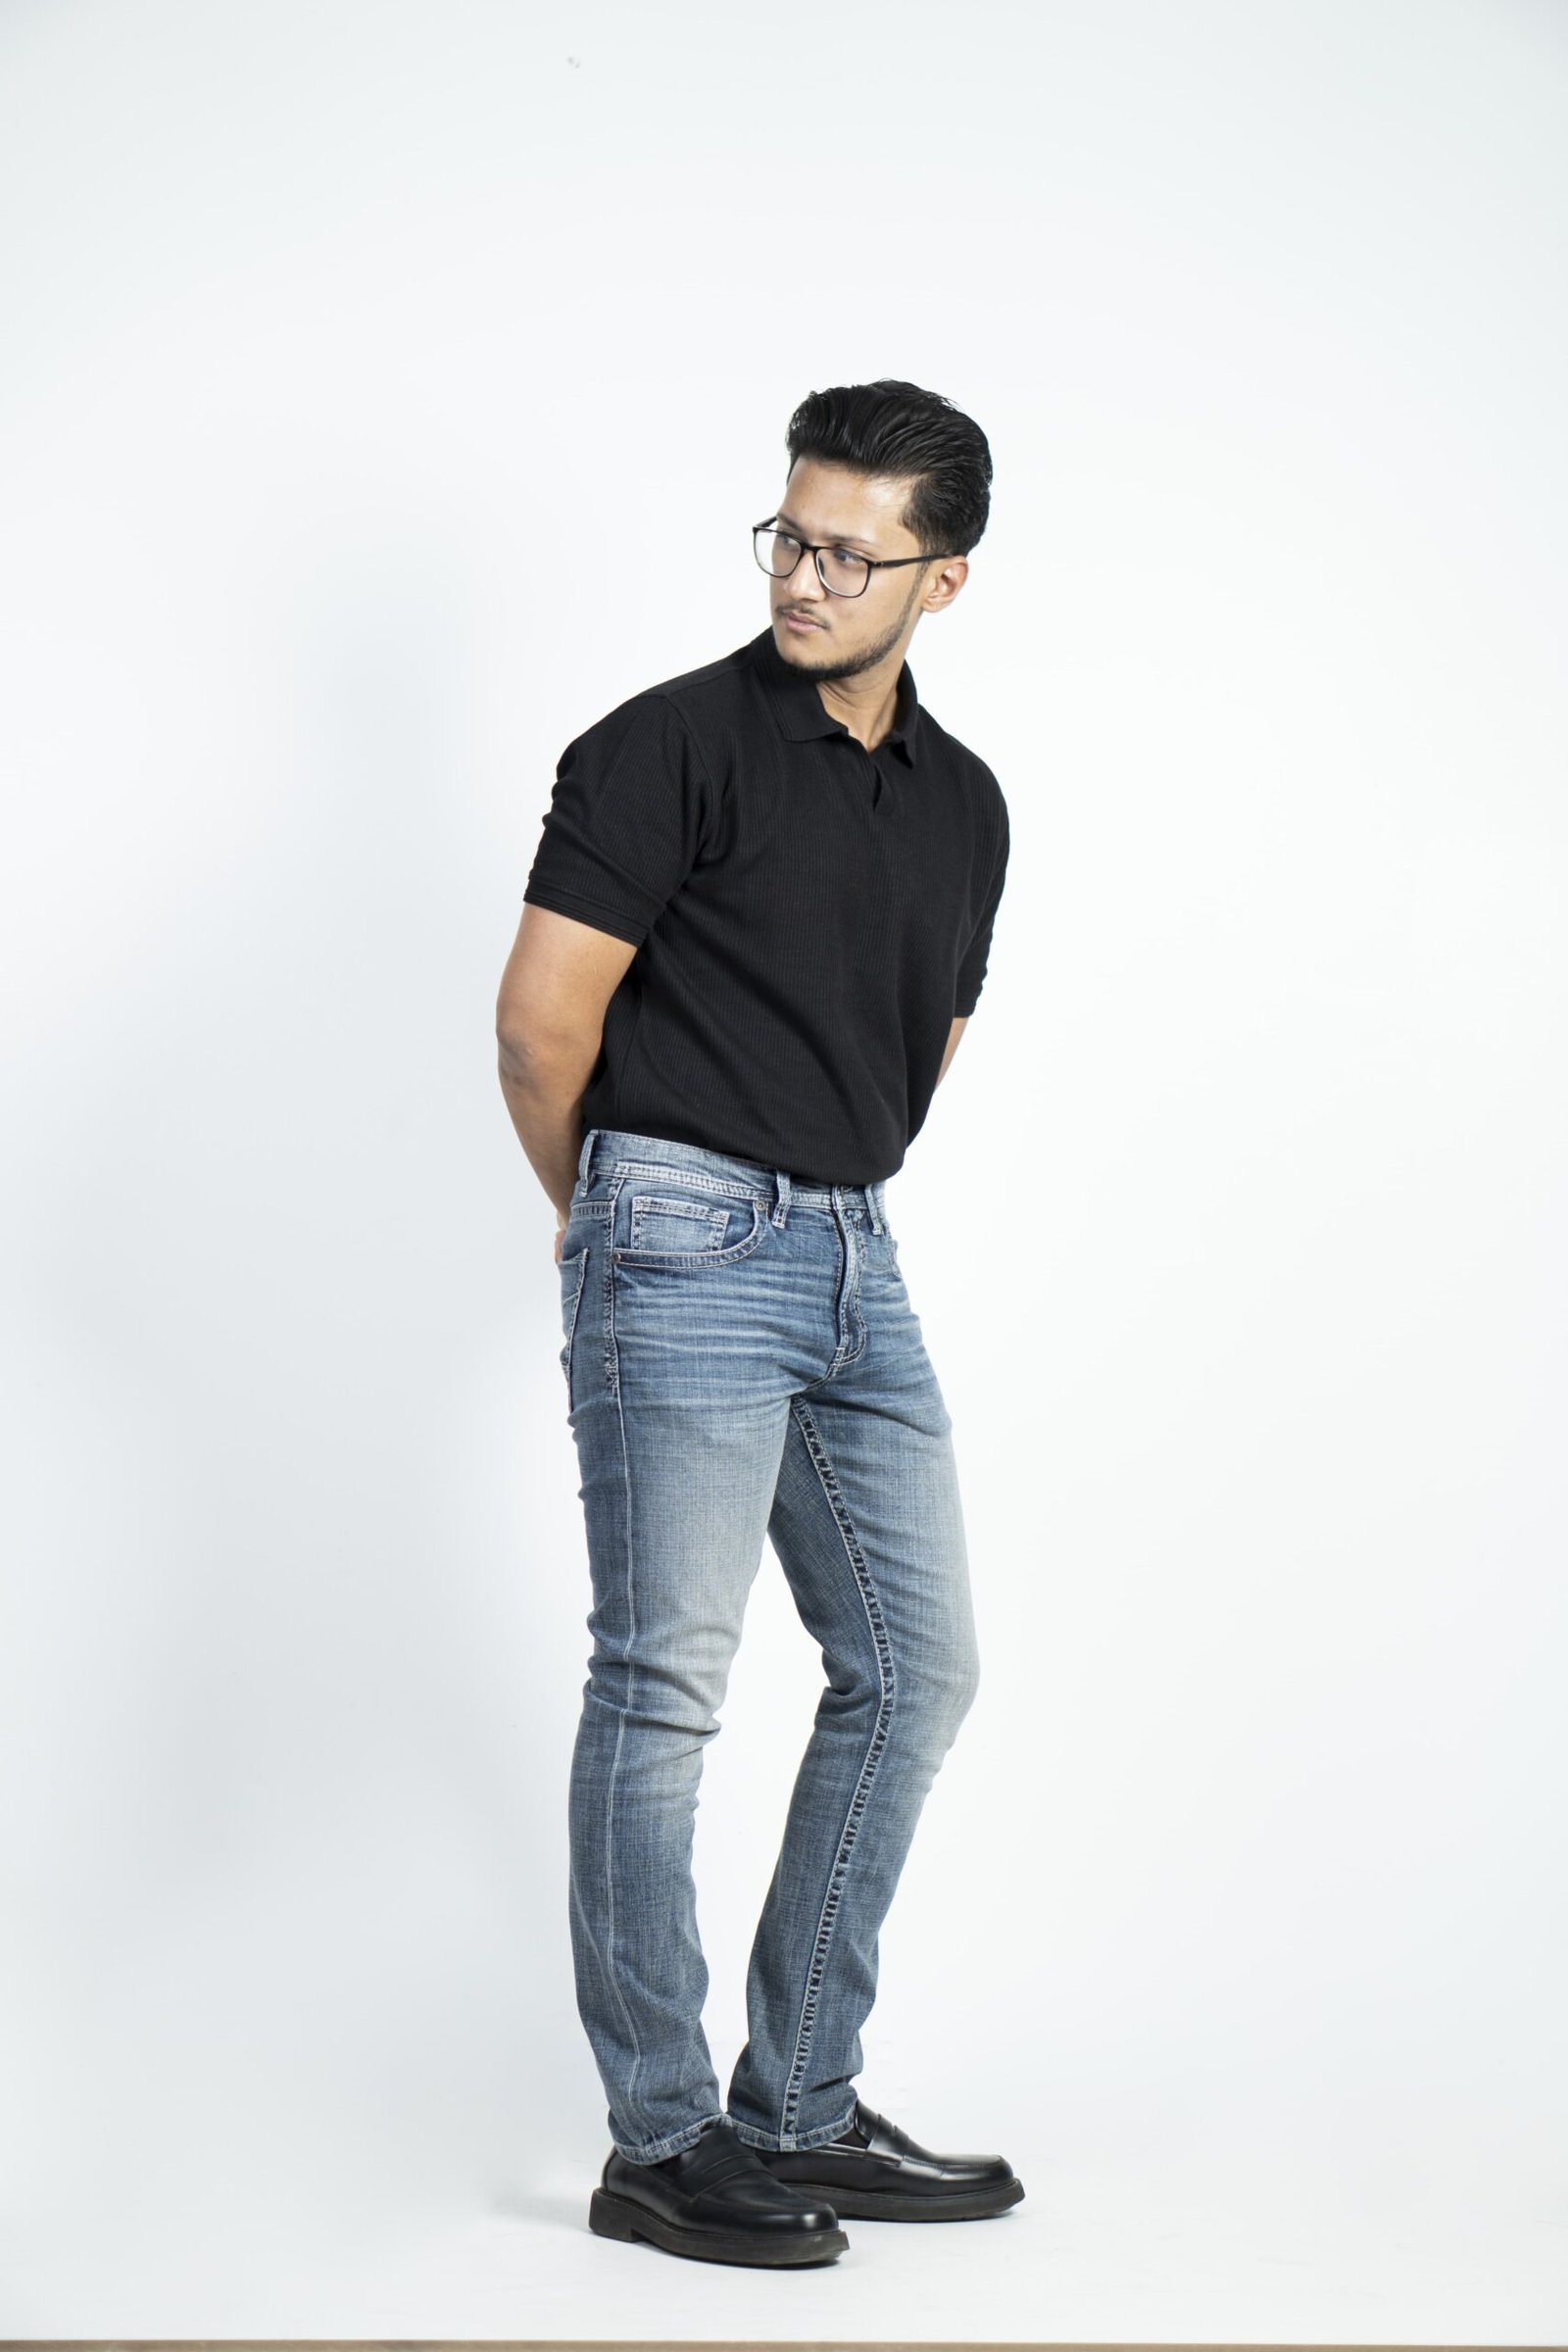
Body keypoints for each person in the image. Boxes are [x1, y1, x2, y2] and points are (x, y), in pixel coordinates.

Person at [495, 379, 1022, 2269]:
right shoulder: (667, 746)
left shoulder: (964, 802)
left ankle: (798, 2100)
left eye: (848, 554)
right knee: (666, 1686)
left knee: (917, 1667)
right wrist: (618, 1230)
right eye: (788, 536)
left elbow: (922, 1040)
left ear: (941, 580)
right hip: (680, 1222)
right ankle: (661, 2141)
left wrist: (820, 1203)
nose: (802, 576)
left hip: (855, 1250)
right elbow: (541, 1029)